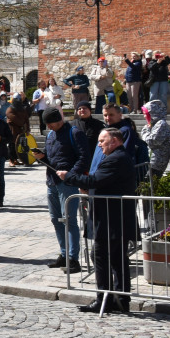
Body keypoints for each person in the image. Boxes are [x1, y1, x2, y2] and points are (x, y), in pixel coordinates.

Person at [58, 128, 138, 314]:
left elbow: (95, 180)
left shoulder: (116, 158)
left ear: (115, 141)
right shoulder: (117, 156)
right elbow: (103, 182)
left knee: (101, 256)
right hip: (113, 217)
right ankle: (119, 298)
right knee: (116, 259)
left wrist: (68, 176)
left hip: (111, 218)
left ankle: (105, 299)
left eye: (103, 140)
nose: (99, 144)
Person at [36, 107, 89, 274]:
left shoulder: (75, 133)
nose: (49, 127)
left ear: (59, 120)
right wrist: (41, 157)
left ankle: (73, 258)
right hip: (51, 181)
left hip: (67, 183)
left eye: (50, 124)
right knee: (56, 219)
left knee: (69, 220)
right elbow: (50, 157)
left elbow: (84, 157)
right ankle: (64, 254)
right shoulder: (51, 135)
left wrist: (71, 174)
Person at [140, 99, 170, 178]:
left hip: (157, 162)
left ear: (153, 113)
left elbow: (153, 141)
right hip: (152, 161)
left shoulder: (161, 124)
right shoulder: (153, 124)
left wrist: (144, 132)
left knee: (150, 184)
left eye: (145, 114)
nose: (144, 116)